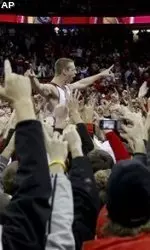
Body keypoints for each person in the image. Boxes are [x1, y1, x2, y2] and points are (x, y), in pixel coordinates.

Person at [26, 58, 114, 113]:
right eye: (73, 70)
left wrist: (101, 74)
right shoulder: (52, 88)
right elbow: (39, 87)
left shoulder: (67, 87)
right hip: (55, 136)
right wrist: (32, 79)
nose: (76, 73)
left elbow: (82, 82)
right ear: (64, 71)